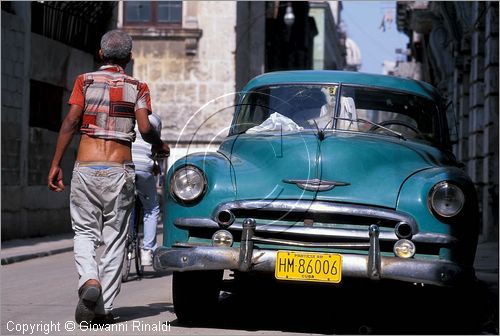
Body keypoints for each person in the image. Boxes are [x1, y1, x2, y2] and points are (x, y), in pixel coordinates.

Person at [47, 29, 169, 325]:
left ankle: (89, 279)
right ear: (129, 58)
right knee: (115, 237)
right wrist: (158, 144)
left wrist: (56, 163)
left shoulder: (84, 81)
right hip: (119, 170)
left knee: (85, 233)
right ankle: (103, 308)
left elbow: (71, 121)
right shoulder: (138, 86)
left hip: (86, 166)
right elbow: (144, 128)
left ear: (100, 54)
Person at [131, 112, 162, 266]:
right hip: (143, 167)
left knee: (124, 205)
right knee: (152, 208)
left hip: (124, 165)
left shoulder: (126, 116)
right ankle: (147, 250)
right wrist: (155, 166)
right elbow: (156, 148)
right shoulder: (155, 120)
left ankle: (124, 242)